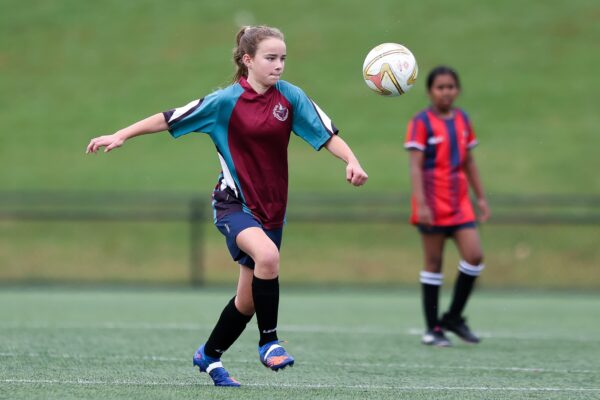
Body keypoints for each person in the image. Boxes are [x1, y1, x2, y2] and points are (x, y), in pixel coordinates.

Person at [86, 25, 368, 386]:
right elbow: (170, 117)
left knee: (247, 301)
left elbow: (327, 134)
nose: (278, 65)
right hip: (233, 204)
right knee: (267, 257)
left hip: (272, 209)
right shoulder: (225, 102)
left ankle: (209, 356)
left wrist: (352, 161)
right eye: (270, 58)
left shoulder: (291, 98)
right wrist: (122, 134)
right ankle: (269, 342)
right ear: (248, 60)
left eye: (282, 58)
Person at [404, 66, 490, 347]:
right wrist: (422, 203)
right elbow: (415, 167)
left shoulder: (463, 119)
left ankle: (452, 316)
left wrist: (481, 198)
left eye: (451, 86)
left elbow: (469, 162)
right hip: (432, 203)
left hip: (459, 203)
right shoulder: (421, 122)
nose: (446, 92)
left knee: (475, 256)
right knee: (433, 264)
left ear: (458, 90)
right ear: (430, 91)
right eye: (440, 87)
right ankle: (432, 329)